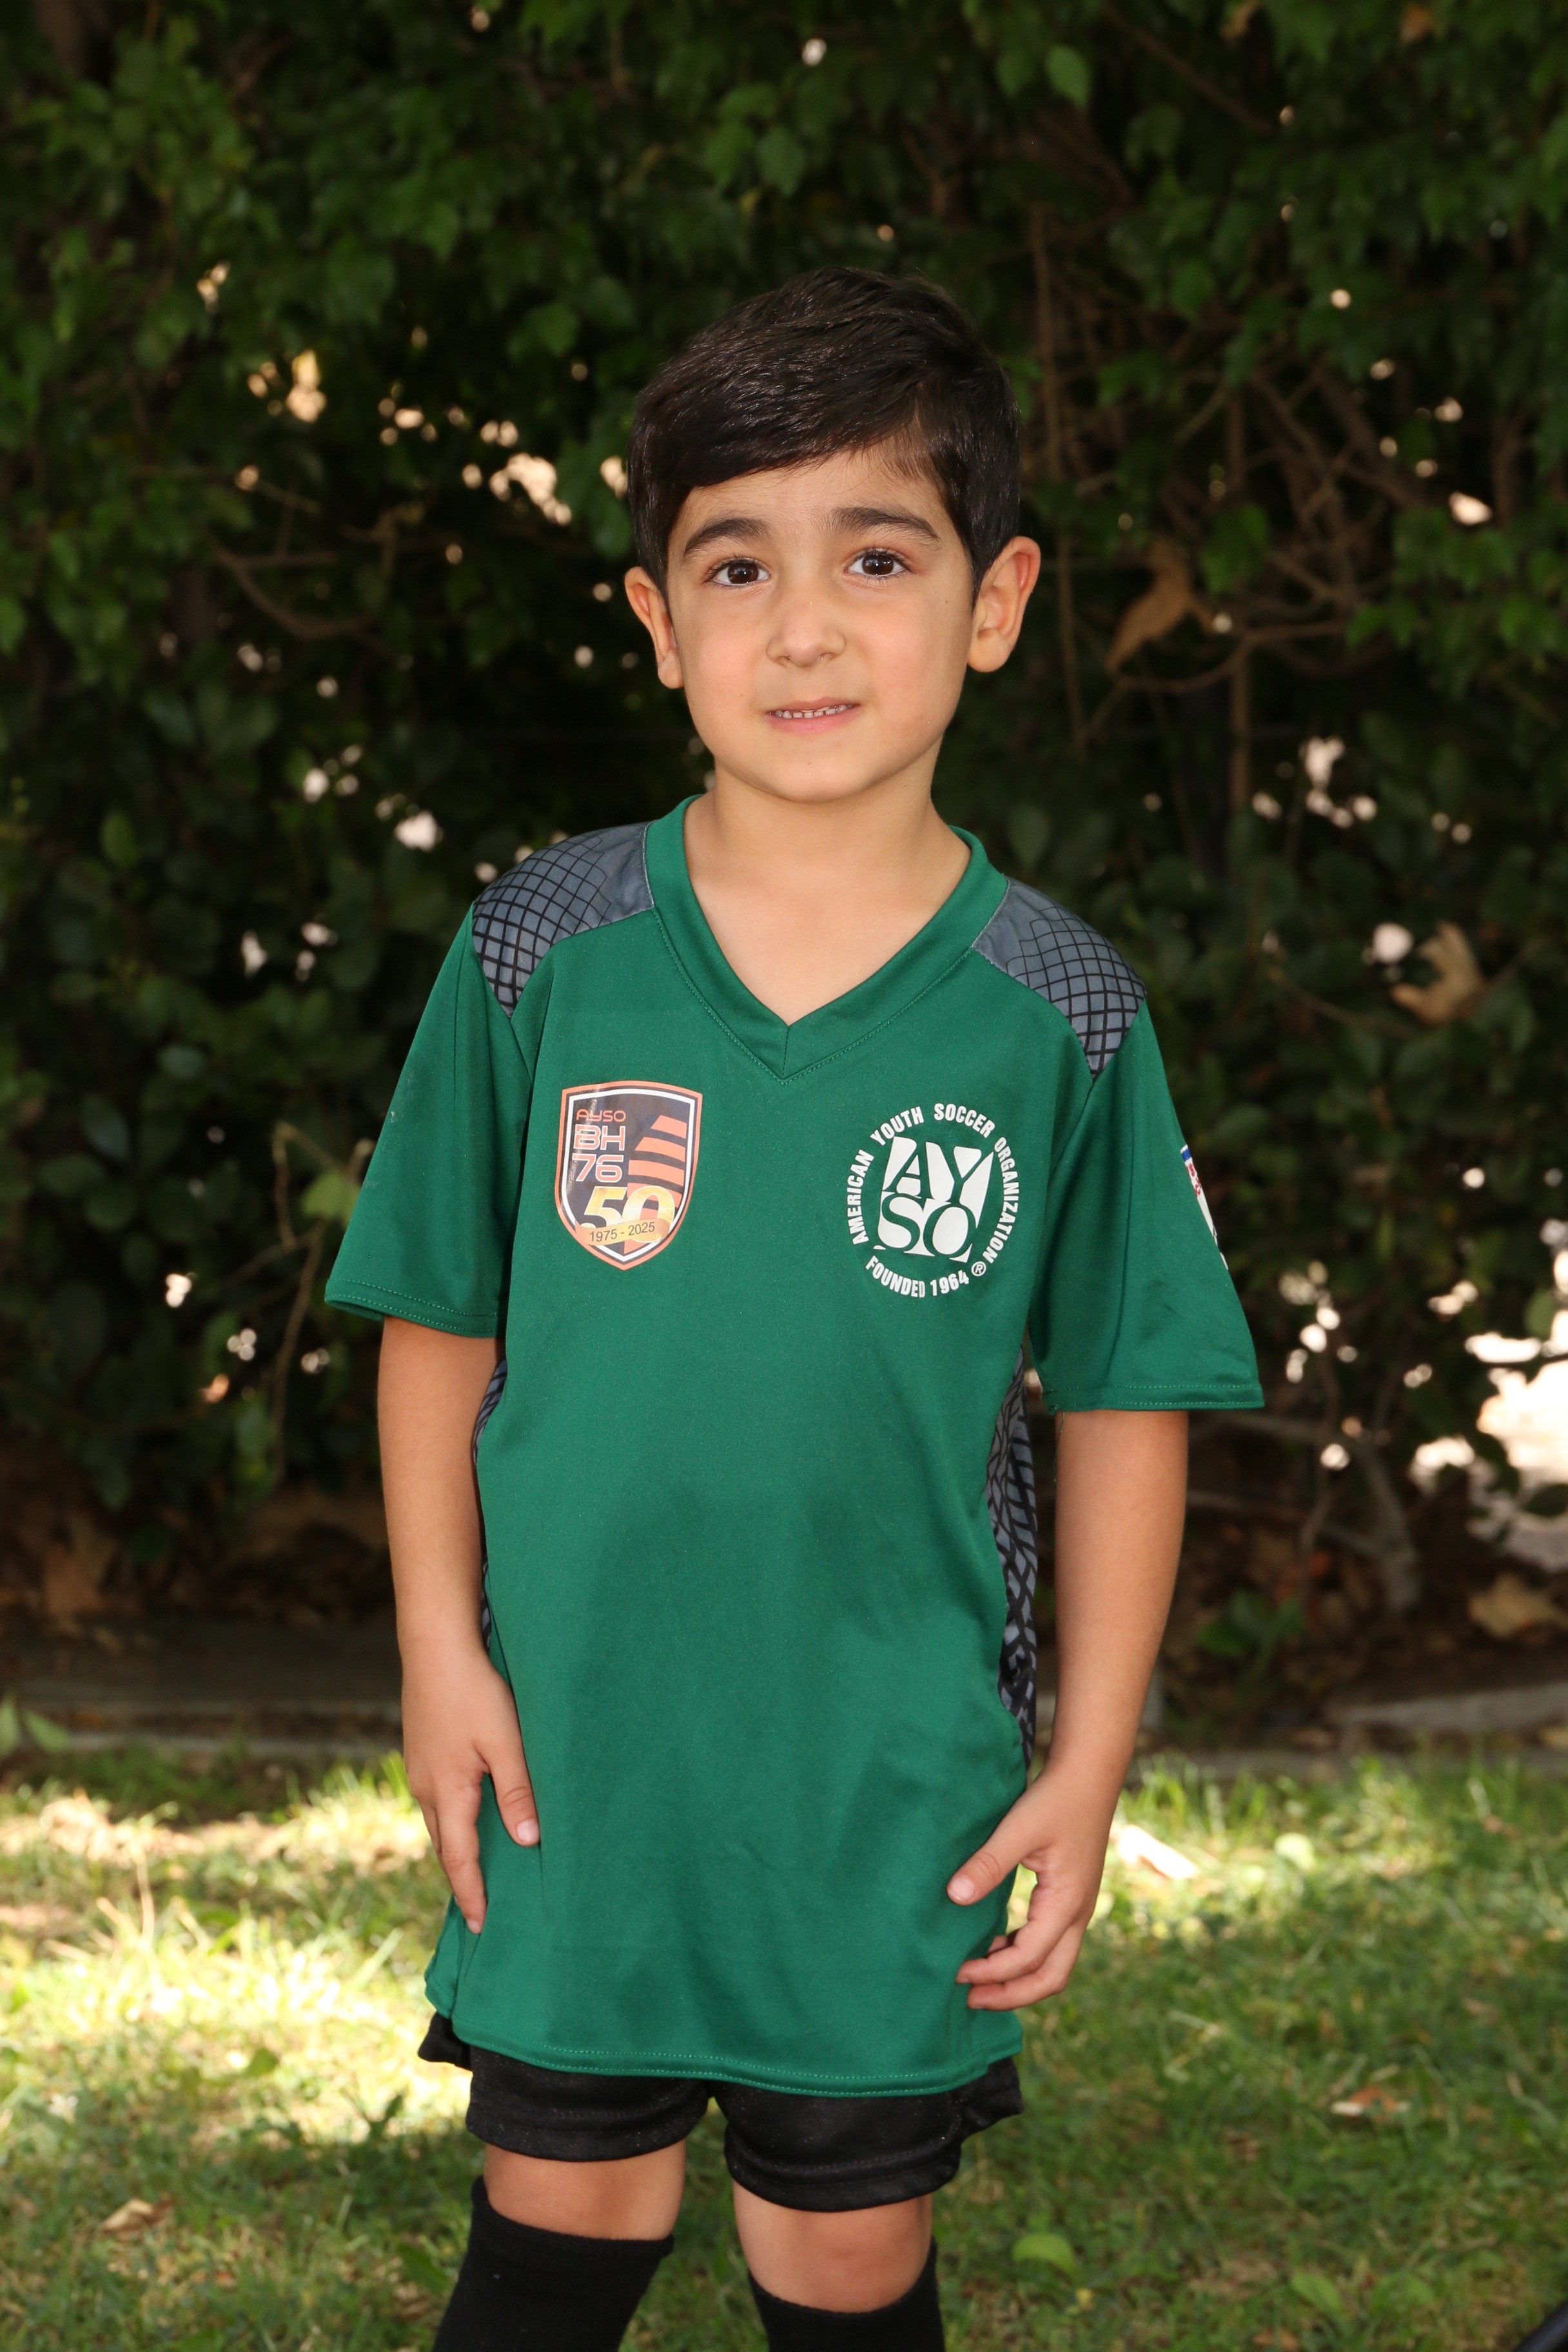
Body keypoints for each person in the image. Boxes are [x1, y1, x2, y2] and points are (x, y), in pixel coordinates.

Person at [325, 266, 1261, 2352]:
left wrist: (1092, 1755)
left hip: (887, 1762)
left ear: (996, 602)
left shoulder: (1059, 1007)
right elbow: (437, 1324)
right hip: (577, 1745)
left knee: (841, 2252)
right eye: (737, 565)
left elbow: (1125, 1396)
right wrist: (438, 1649)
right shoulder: (541, 950)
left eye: (878, 557)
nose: (805, 627)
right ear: (657, 622)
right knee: (562, 2210)